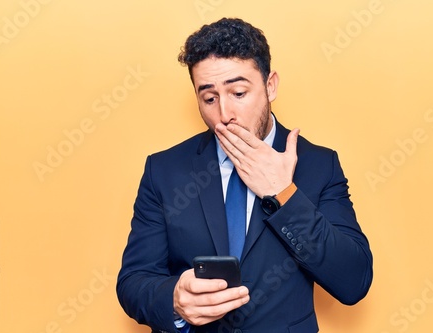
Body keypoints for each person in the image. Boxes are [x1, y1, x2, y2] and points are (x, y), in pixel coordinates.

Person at [117, 17, 373, 333]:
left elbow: (353, 280)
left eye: (238, 92)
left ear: (270, 85)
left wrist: (284, 193)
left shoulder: (319, 165)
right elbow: (133, 281)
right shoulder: (164, 169)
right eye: (209, 98)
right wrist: (173, 299)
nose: (225, 115)